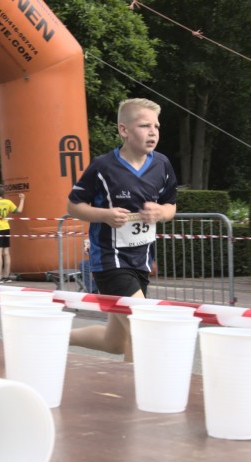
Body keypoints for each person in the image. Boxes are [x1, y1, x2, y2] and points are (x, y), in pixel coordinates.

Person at [67, 98, 178, 361]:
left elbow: (171, 206)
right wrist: (104, 215)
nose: (153, 132)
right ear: (124, 130)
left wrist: (160, 212)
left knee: (115, 341)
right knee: (141, 327)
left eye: (156, 126)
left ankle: (51, 335)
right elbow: (73, 206)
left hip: (141, 261)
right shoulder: (103, 166)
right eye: (144, 126)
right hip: (110, 261)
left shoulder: (162, 164)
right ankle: (134, 387)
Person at [0, 184, 25, 283]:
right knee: (6, 253)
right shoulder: (8, 202)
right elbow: (19, 211)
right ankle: (6, 276)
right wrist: (22, 199)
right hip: (6, 228)